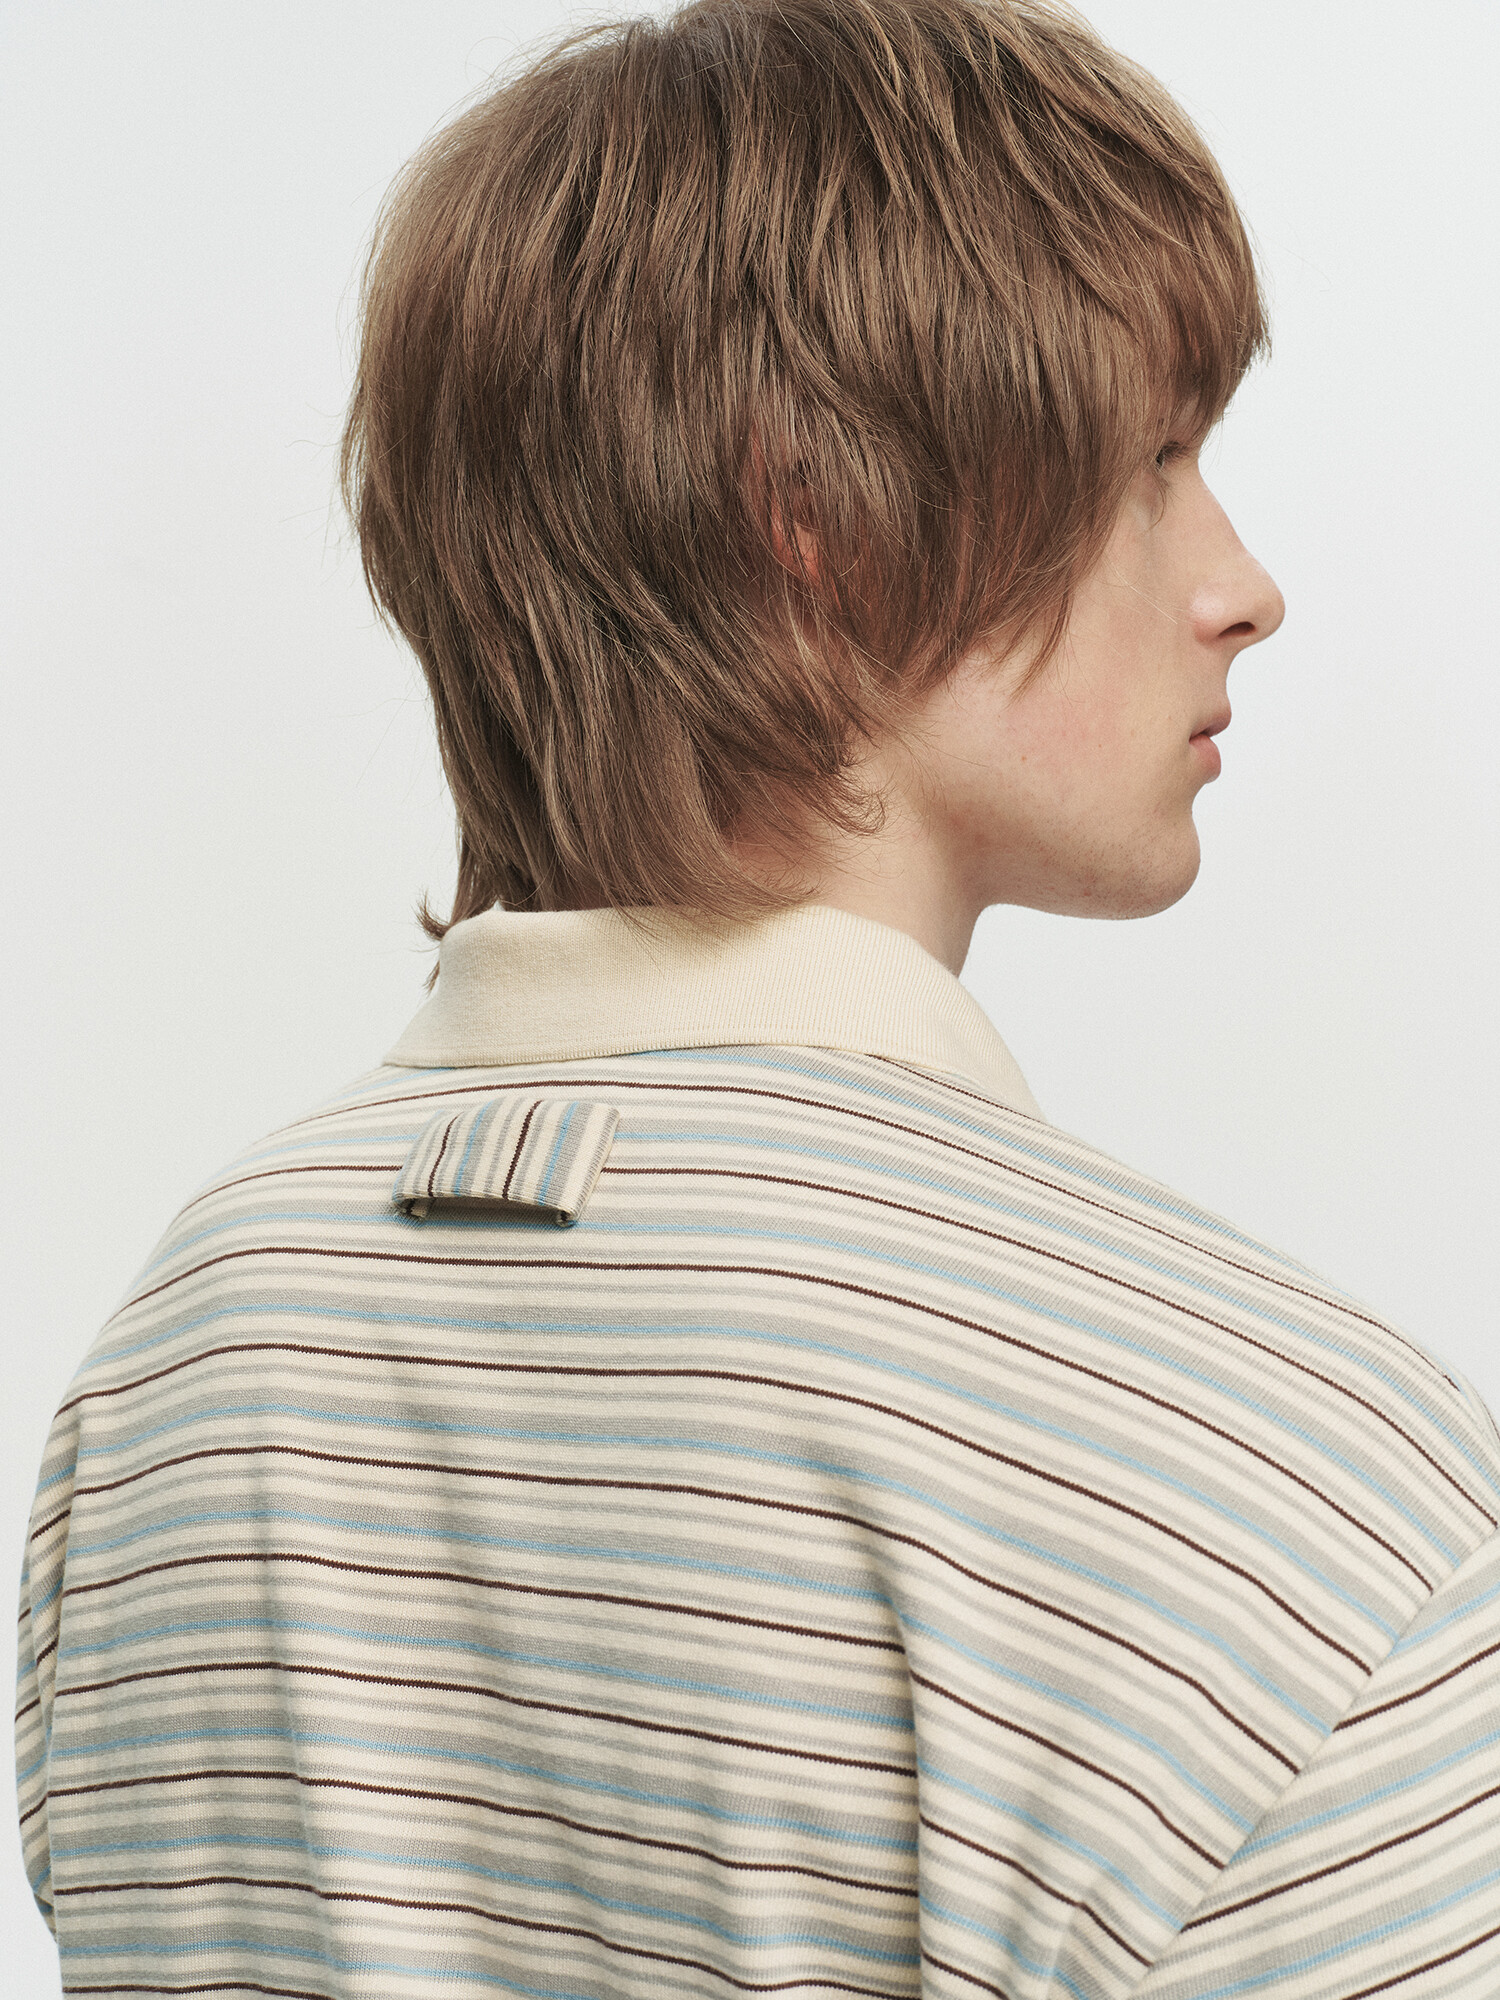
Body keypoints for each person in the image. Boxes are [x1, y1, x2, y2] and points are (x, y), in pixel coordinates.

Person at [15, 0, 1500, 1993]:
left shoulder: (173, 1371)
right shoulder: (1308, 1520)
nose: (1242, 583)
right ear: (820, 521)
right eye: (1151, 465)